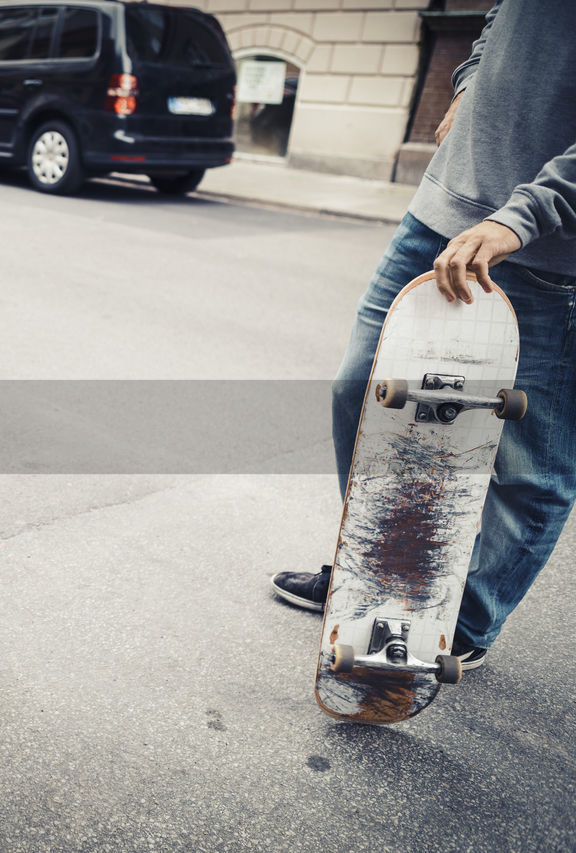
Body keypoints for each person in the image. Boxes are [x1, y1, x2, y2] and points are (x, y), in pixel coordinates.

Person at [271, 0, 576, 672]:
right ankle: (378, 584)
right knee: (363, 387)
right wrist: (469, 79)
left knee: (534, 465)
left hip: (553, 249)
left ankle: (459, 619)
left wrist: (525, 215)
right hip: (443, 205)